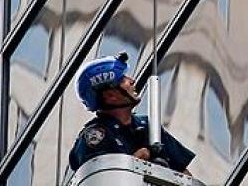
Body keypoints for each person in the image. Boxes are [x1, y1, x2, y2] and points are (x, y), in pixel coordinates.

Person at [69, 52, 197, 174]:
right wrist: (138, 159)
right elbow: (101, 178)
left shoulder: (150, 127)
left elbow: (184, 174)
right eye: (123, 79)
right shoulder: (95, 137)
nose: (132, 81)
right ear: (110, 95)